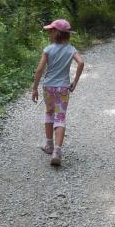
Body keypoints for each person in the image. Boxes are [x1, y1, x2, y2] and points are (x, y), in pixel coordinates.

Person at [32, 18, 84, 167]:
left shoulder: (48, 50)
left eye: (50, 31)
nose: (49, 34)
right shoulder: (71, 49)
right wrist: (75, 80)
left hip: (48, 87)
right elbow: (81, 62)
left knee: (49, 113)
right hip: (62, 88)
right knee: (60, 117)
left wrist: (35, 88)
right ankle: (57, 151)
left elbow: (40, 70)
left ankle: (49, 145)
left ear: (56, 33)